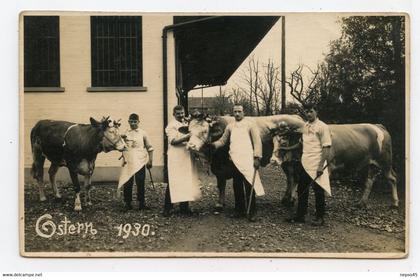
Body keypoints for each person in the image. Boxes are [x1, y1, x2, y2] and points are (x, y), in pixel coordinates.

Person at [211, 104, 264, 222]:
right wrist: (213, 145)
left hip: (247, 159)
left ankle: (252, 211)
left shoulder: (250, 125)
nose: (237, 114)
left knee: (249, 185)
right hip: (234, 160)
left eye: (239, 111)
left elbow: (257, 142)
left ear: (243, 112)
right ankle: (239, 210)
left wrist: (257, 157)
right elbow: (223, 141)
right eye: (235, 112)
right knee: (237, 185)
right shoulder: (230, 126)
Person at [286, 104, 332, 226]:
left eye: (311, 111)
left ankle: (320, 217)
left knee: (318, 190)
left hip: (317, 163)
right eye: (306, 111)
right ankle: (300, 215)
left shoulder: (322, 127)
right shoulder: (305, 126)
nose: (309, 114)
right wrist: (286, 148)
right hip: (305, 163)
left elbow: (326, 147)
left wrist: (321, 166)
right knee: (302, 189)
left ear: (316, 112)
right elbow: (301, 144)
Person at [163, 105, 201, 217]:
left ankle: (184, 207)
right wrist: (189, 136)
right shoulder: (171, 126)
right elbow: (173, 141)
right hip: (176, 156)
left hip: (186, 155)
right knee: (174, 181)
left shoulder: (186, 124)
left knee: (186, 180)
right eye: (178, 113)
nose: (181, 115)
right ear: (173, 114)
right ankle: (167, 207)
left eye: (182, 113)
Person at [118, 113, 154, 211]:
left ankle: (141, 203)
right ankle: (127, 203)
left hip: (140, 161)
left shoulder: (143, 133)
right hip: (129, 161)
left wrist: (150, 160)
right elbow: (120, 147)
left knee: (140, 182)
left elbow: (150, 148)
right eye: (131, 121)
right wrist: (121, 139)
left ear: (138, 122)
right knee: (128, 181)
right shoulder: (125, 133)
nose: (133, 123)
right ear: (128, 122)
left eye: (135, 121)